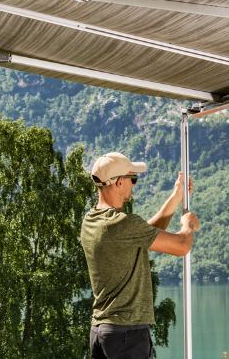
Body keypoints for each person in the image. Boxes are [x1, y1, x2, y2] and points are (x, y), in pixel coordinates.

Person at [82, 152, 199, 359]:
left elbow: (142, 235)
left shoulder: (91, 220)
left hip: (101, 332)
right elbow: (182, 246)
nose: (134, 185)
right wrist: (188, 225)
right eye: (132, 179)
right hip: (127, 334)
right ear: (119, 182)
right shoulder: (121, 223)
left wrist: (176, 196)